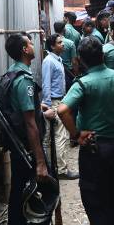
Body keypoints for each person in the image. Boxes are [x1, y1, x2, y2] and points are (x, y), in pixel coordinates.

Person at [57, 37, 114, 225]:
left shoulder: (83, 84)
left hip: (94, 149)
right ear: (102, 55)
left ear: (81, 59)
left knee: (95, 199)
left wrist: (76, 134)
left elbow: (62, 110)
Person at [3, 33, 52, 225]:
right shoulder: (23, 80)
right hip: (28, 148)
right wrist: (40, 162)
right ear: (25, 50)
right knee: (47, 190)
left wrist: (39, 108)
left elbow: (22, 108)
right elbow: (30, 123)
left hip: (19, 146)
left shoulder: (12, 72)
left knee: (18, 189)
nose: (33, 45)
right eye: (30, 43)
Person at [41, 34, 79, 180]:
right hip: (54, 102)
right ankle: (61, 170)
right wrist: (48, 106)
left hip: (59, 100)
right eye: (59, 43)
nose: (63, 44)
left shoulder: (57, 59)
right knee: (60, 136)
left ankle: (56, 168)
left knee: (57, 136)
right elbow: (46, 84)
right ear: (52, 46)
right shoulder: (49, 61)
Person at [53, 21, 79, 89]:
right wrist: (76, 74)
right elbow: (74, 62)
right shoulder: (70, 43)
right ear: (64, 29)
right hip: (68, 72)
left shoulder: (50, 42)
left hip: (54, 71)